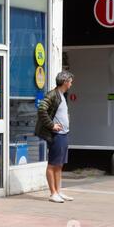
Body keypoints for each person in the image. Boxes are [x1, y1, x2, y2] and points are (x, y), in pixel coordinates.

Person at [35, 71, 74, 203]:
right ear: (64, 82)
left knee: (59, 164)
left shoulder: (62, 95)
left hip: (63, 134)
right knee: (53, 164)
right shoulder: (53, 95)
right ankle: (53, 193)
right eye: (70, 81)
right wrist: (52, 126)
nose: (71, 83)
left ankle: (58, 191)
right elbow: (41, 109)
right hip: (56, 135)